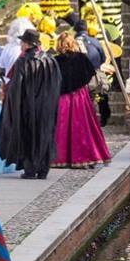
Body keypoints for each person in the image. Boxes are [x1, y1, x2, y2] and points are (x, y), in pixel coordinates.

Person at [0, 29, 60, 180]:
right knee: (44, 134)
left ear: (27, 44)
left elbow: (16, 86)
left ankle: (30, 169)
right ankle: (43, 169)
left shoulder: (23, 61)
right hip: (47, 105)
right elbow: (57, 83)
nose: (20, 45)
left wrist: (12, 104)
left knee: (29, 135)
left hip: (28, 106)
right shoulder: (50, 59)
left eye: (22, 42)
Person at [51, 27, 109, 168]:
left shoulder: (55, 61)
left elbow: (51, 79)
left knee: (62, 128)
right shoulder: (81, 58)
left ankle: (60, 159)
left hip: (62, 97)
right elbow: (90, 74)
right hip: (79, 97)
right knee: (82, 126)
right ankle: (83, 157)